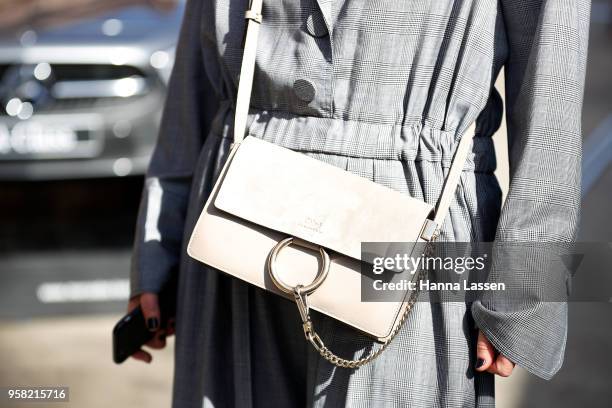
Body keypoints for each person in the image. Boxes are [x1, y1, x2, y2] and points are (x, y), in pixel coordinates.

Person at [127, 0, 590, 406]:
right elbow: (197, 72)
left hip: (415, 222)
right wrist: (159, 245)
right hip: (232, 223)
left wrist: (525, 289)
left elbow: (553, 96)